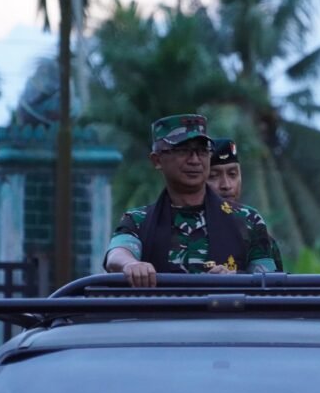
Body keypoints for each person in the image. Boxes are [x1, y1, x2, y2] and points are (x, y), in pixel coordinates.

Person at [104, 114, 276, 287]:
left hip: (225, 312)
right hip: (162, 313)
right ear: (157, 160)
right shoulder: (139, 220)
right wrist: (131, 264)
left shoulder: (247, 219)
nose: (194, 160)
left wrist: (234, 278)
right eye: (182, 150)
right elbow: (116, 255)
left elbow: (267, 281)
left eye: (202, 151)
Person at [207, 138, 284, 271]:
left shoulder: (253, 226)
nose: (226, 185)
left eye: (232, 174)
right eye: (213, 176)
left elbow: (269, 286)